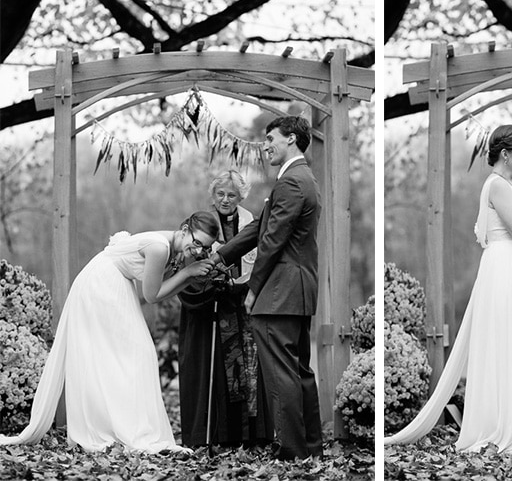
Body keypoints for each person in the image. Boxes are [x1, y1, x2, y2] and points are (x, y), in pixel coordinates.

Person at [385, 124, 512, 453]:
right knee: (504, 342)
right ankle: (498, 426)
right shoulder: (498, 186)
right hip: (503, 269)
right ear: (506, 154)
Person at [0, 212, 219, 453]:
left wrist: (188, 274)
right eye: (196, 243)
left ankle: (121, 424)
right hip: (102, 282)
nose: (198, 251)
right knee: (138, 351)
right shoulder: (159, 247)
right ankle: (123, 428)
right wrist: (188, 273)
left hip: (113, 283)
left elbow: (156, 294)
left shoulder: (173, 250)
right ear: (185, 229)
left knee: (130, 355)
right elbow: (152, 295)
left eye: (204, 248)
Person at [209, 115, 323, 460]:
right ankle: (310, 448)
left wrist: (253, 289)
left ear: (290, 138)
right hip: (299, 291)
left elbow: (272, 240)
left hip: (279, 294)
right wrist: (222, 256)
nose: (266, 145)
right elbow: (261, 226)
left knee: (281, 373)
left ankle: (292, 450)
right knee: (300, 370)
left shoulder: (291, 181)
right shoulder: (303, 178)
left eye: (271, 137)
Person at [178, 171, 271, 448]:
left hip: (244, 308)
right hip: (215, 307)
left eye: (232, 195)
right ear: (213, 195)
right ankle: (218, 434)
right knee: (221, 371)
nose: (226, 200)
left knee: (249, 372)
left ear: (241, 196)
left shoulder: (251, 223)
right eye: (220, 194)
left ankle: (250, 435)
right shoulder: (201, 225)